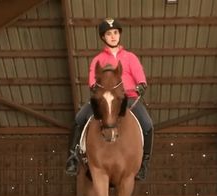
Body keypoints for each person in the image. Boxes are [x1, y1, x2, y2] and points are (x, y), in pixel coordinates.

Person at [65, 17, 153, 180]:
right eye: (108, 34)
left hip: (128, 97)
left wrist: (141, 84)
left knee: (148, 125)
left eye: (115, 33)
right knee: (79, 119)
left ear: (119, 35)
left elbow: (139, 76)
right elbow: (92, 77)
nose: (113, 36)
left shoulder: (130, 57)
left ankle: (144, 164)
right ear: (103, 37)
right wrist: (93, 85)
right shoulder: (98, 59)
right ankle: (73, 158)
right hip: (104, 98)